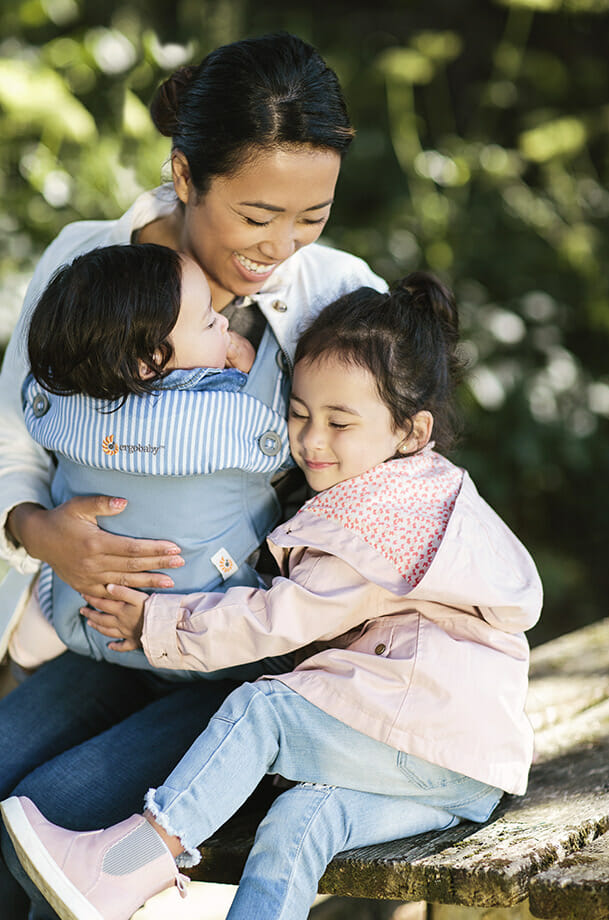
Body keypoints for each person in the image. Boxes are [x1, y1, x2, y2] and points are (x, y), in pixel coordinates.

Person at [2, 274, 543, 920]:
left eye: (340, 423)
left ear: (410, 430)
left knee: (263, 712)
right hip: (464, 765)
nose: (313, 441)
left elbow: (274, 621)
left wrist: (155, 619)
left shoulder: (375, 521)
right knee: (298, 823)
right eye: (299, 415)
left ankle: (137, 856)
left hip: (420, 730)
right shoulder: (418, 491)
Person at [0, 33, 387, 919]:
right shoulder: (83, 264)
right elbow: (11, 434)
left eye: (310, 218)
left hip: (247, 657)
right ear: (184, 175)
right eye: (256, 217)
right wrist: (38, 529)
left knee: (52, 809)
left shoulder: (337, 298)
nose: (280, 246)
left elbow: (392, 490)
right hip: (96, 636)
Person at [13, 241, 287, 676]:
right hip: (196, 614)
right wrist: (247, 374)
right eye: (208, 321)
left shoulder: (64, 402)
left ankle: (46, 616)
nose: (222, 322)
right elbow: (284, 447)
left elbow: (33, 399)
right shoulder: (228, 416)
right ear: (152, 360)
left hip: (78, 607)